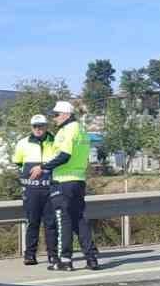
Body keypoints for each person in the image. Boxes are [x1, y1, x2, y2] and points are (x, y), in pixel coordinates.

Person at [31, 101, 99, 271]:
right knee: (80, 220)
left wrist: (43, 167)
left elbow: (64, 155)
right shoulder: (82, 130)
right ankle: (91, 258)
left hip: (63, 182)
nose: (54, 119)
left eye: (56, 115)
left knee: (63, 221)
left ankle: (65, 260)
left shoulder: (66, 131)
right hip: (79, 180)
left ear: (66, 115)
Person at [12, 114, 58, 266]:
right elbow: (18, 163)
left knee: (51, 224)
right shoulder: (22, 143)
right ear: (31, 127)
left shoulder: (56, 141)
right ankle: (30, 255)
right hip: (31, 189)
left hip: (50, 188)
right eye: (35, 126)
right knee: (33, 223)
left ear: (46, 126)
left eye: (41, 126)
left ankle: (53, 255)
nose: (38, 129)